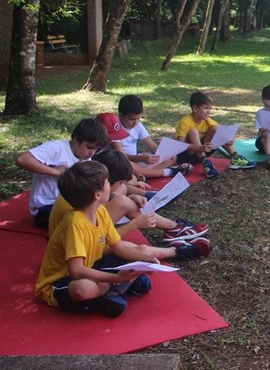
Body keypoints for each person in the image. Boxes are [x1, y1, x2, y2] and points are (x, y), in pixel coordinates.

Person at [34, 161, 159, 317]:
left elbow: (119, 248)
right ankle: (113, 290)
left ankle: (111, 292)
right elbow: (76, 271)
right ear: (97, 194)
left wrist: (147, 259)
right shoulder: (75, 224)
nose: (110, 185)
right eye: (107, 182)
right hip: (63, 280)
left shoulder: (101, 212)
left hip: (92, 266)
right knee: (84, 288)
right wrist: (116, 278)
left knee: (143, 253)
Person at [48, 150, 212, 260]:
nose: (120, 186)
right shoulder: (80, 216)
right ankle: (176, 249)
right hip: (78, 250)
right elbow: (98, 240)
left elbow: (105, 236)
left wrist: (128, 195)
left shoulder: (84, 194)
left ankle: (174, 230)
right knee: (138, 249)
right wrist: (134, 224)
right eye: (118, 183)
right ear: (101, 187)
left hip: (80, 245)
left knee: (124, 204)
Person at [16, 118, 108, 228]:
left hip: (70, 203)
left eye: (96, 149)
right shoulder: (57, 148)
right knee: (85, 220)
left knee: (99, 211)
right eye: (89, 147)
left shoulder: (85, 157)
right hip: (46, 207)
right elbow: (22, 160)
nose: (92, 152)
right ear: (76, 140)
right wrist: (55, 172)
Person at [110, 96, 192, 179]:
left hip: (136, 160)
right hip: (124, 162)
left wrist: (166, 154)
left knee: (171, 159)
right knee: (128, 165)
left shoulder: (138, 126)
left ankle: (144, 174)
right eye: (132, 119)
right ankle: (170, 171)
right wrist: (139, 158)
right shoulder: (115, 128)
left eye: (138, 118)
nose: (136, 122)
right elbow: (120, 156)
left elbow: (152, 146)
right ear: (120, 115)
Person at [176, 91, 255, 176]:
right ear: (195, 109)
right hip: (187, 155)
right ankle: (205, 163)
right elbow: (179, 145)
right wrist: (199, 148)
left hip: (203, 151)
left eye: (210, 108)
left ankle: (234, 157)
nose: (209, 111)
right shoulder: (185, 122)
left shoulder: (208, 121)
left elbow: (223, 132)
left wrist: (229, 140)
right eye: (205, 108)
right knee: (193, 132)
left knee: (217, 129)